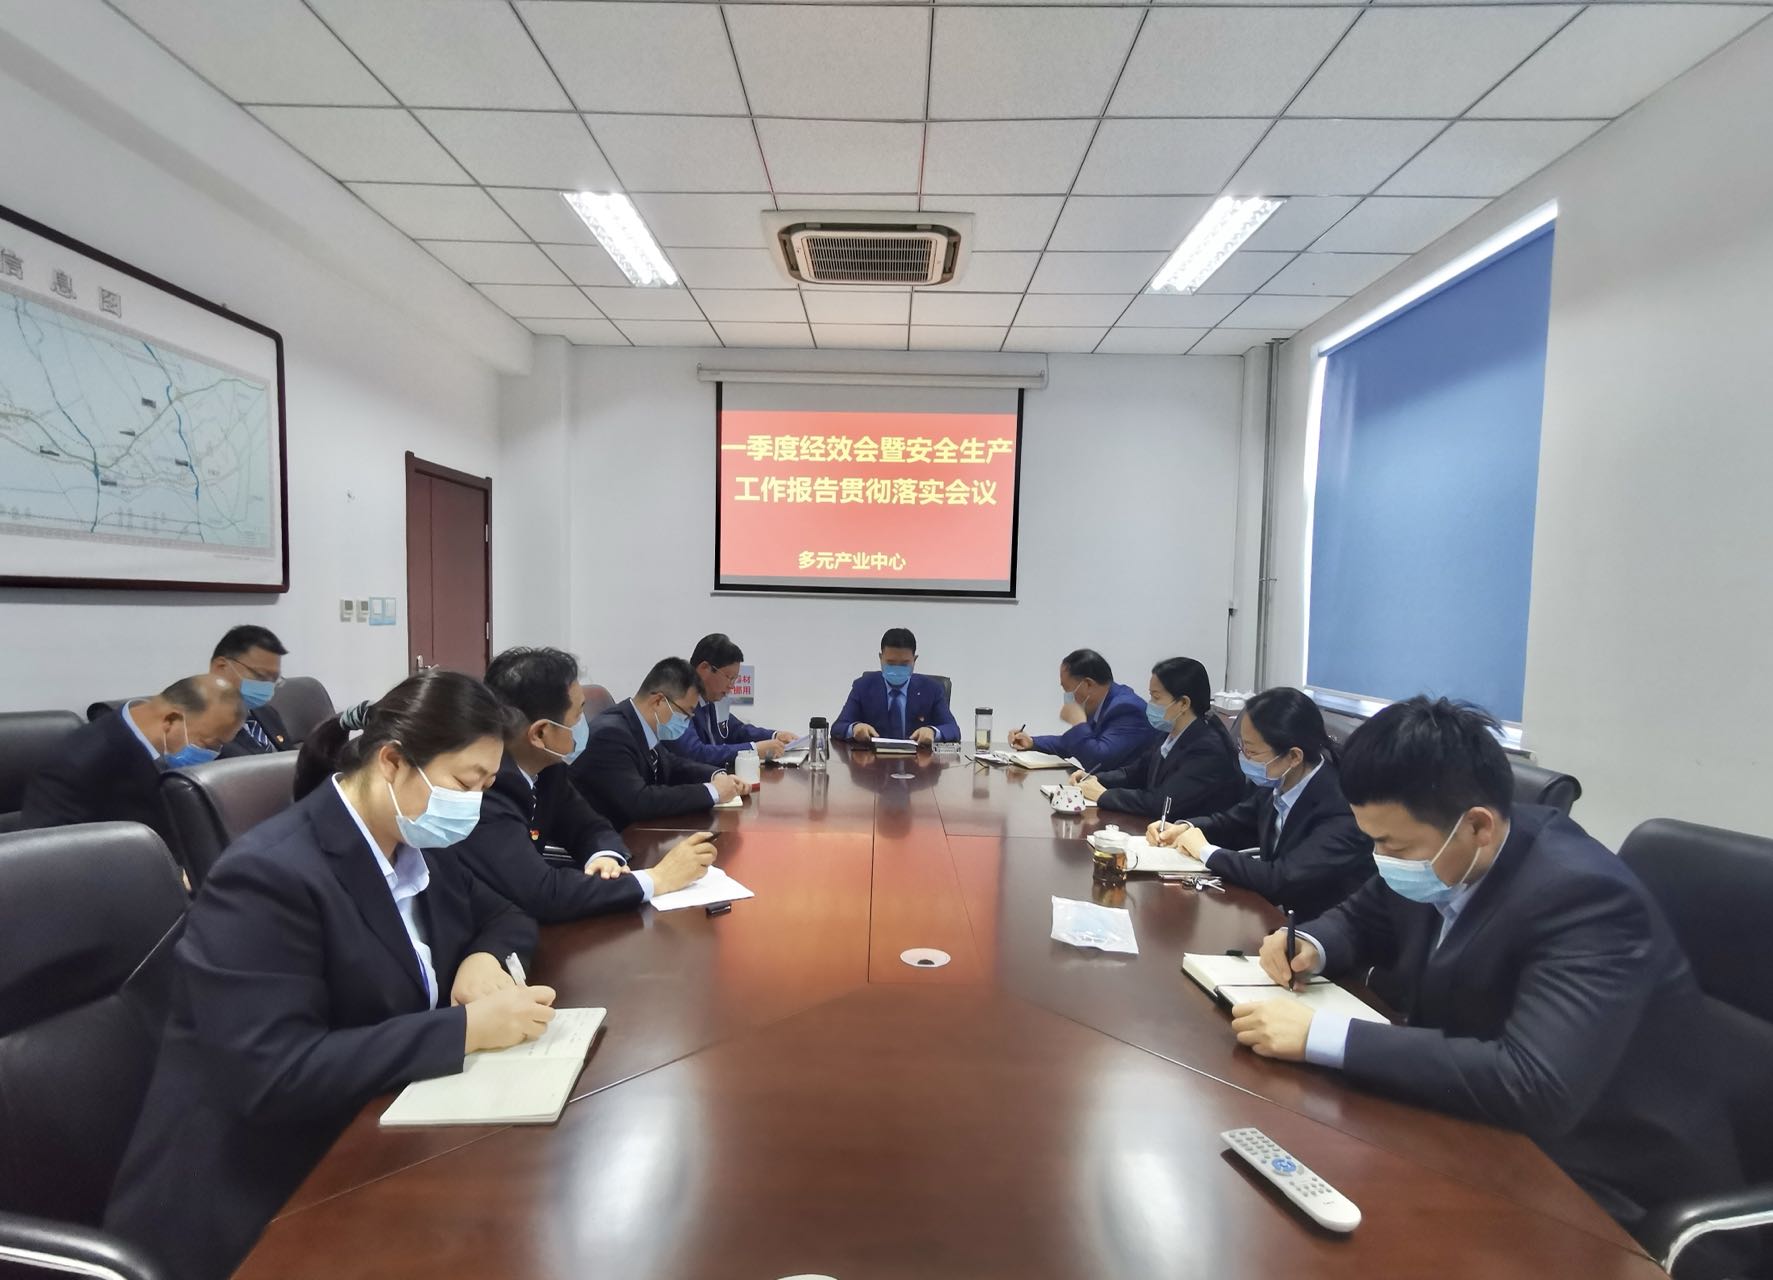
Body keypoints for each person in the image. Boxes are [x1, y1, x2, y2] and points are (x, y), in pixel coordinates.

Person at [1226, 696, 1741, 1240]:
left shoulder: (1586, 898)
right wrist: (1311, 943)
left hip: (1599, 1182)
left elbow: (1534, 1083)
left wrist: (1321, 1036)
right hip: (1476, 1123)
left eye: (1390, 844)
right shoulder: (1442, 849)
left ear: (1478, 826)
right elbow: (1364, 913)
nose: (1381, 858)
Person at [105, 670, 556, 1280]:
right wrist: (465, 1030)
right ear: (392, 761)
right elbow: (274, 1073)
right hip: (257, 1195)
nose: (472, 803)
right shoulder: (268, 876)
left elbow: (507, 913)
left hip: (376, 1127)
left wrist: (483, 957)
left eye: (485, 786)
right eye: (463, 782)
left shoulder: (415, 844)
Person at [469, 646, 717, 920]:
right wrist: (657, 879)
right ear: (540, 733)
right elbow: (542, 894)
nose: (584, 723)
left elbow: (590, 825)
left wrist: (604, 855)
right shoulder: (487, 787)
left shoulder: (548, 768)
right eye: (578, 715)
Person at [1142, 685, 1371, 917]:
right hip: (1273, 913)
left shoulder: (1342, 809)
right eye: (1241, 746)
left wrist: (1205, 850)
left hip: (1317, 927)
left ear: (1294, 756)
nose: (1243, 757)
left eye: (1251, 751)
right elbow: (1233, 822)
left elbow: (1281, 878)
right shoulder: (1280, 779)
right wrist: (1185, 828)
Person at [21, 674, 244, 846]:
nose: (214, 754)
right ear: (171, 720)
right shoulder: (75, 765)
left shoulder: (198, 732)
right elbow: (54, 859)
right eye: (210, 744)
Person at [569, 657, 748, 829]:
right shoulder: (611, 735)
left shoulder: (641, 725)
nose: (686, 721)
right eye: (685, 713)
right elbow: (640, 801)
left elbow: (672, 764)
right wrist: (712, 791)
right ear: (658, 701)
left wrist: (716, 776)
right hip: (612, 838)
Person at [1073, 656, 1242, 821]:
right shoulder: (1169, 732)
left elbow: (1161, 803)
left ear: (1183, 703)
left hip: (1193, 833)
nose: (1150, 703)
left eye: (1156, 697)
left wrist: (1103, 795)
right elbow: (1135, 772)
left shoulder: (1208, 748)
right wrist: (1095, 778)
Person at [1007, 648, 1160, 773]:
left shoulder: (1126, 709)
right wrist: (1033, 742)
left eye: (1067, 689)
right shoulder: (1102, 703)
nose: (1067, 697)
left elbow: (1097, 760)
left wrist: (1078, 723)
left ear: (1088, 684)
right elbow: (1071, 744)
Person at [669, 632, 798, 767]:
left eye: (734, 679)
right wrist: (753, 749)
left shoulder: (711, 700)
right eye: (729, 678)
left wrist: (775, 735)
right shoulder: (676, 702)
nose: (731, 686)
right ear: (704, 668)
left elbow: (737, 730)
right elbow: (696, 753)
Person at [832, 626, 959, 745]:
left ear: (914, 660)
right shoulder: (863, 686)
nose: (897, 669)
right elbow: (838, 727)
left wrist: (932, 732)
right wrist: (855, 728)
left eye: (904, 664)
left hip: (918, 759)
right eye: (891, 663)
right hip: (873, 759)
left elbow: (953, 729)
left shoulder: (932, 689)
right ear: (881, 658)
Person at [210, 624, 296, 757]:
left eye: (274, 680)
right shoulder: (196, 723)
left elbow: (293, 758)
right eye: (261, 676)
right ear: (221, 667)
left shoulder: (266, 712)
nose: (267, 686)